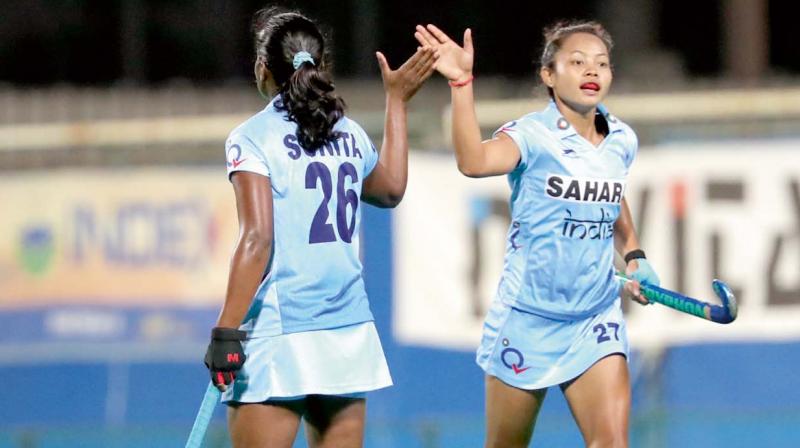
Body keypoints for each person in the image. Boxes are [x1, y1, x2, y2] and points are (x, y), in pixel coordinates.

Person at [415, 21, 659, 447]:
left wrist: (634, 252)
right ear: (548, 75)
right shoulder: (531, 136)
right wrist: (461, 84)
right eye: (577, 62)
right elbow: (473, 162)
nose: (592, 71)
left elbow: (612, 190)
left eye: (601, 63)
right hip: (528, 320)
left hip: (594, 318)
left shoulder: (622, 139)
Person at [202, 6, 436, 448]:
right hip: (346, 331)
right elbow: (391, 190)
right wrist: (397, 102)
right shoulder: (347, 132)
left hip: (280, 334)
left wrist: (226, 330)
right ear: (321, 65)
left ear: (261, 68)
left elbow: (257, 239)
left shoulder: (252, 137)